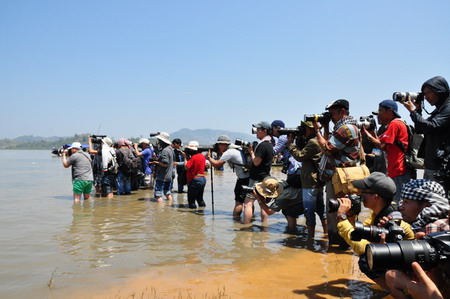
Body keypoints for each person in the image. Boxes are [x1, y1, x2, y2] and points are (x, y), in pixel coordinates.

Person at [336, 172, 414, 288]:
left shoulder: (389, 219)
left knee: (365, 261)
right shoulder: (381, 210)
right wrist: (350, 214)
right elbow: (360, 233)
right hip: (400, 260)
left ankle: (395, 290)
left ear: (376, 196)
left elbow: (362, 248)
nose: (360, 195)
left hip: (407, 265)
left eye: (364, 192)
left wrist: (342, 219)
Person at [315, 99, 361, 246]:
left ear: (342, 111)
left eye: (332, 113)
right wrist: (326, 126)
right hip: (340, 176)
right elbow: (331, 143)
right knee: (336, 211)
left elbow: (327, 148)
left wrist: (317, 130)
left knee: (338, 210)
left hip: (342, 178)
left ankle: (340, 245)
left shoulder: (346, 128)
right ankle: (339, 245)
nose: (330, 116)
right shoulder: (343, 127)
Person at [401, 76, 450, 180]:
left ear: (439, 91)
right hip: (431, 165)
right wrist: (418, 111)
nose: (426, 97)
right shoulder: (439, 110)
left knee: (437, 196)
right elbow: (420, 129)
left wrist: (412, 112)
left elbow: (431, 126)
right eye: (424, 94)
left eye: (428, 93)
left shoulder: (448, 108)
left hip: (441, 167)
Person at [363, 100, 410, 203]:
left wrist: (367, 135)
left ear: (389, 111)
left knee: (397, 203)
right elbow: (380, 142)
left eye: (380, 111)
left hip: (398, 171)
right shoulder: (393, 124)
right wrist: (371, 131)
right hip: (395, 170)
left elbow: (381, 145)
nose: (378, 114)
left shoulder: (394, 124)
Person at [287, 121, 327, 239]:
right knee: (321, 210)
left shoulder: (313, 142)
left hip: (310, 182)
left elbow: (300, 156)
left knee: (309, 212)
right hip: (318, 181)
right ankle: (326, 235)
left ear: (310, 129)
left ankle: (310, 240)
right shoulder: (318, 140)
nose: (303, 130)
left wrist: (290, 143)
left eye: (304, 128)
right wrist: (299, 138)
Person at [207, 135, 250, 218]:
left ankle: (236, 220)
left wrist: (209, 157)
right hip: (249, 178)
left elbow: (216, 165)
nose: (218, 147)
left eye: (218, 145)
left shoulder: (229, 152)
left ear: (222, 144)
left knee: (239, 202)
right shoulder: (237, 149)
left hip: (242, 180)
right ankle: (250, 219)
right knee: (248, 201)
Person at [243, 121, 274, 224]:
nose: (256, 131)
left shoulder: (262, 145)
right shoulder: (270, 144)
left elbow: (256, 162)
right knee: (263, 204)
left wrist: (251, 152)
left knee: (248, 203)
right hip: (265, 177)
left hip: (256, 178)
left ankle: (246, 228)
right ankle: (264, 227)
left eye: (258, 130)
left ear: (265, 131)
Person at [271, 119, 302, 184]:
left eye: (272, 128)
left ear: (278, 128)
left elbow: (274, 152)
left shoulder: (282, 137)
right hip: (297, 167)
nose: (271, 131)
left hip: (293, 168)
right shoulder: (286, 136)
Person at [182, 141, 207, 209]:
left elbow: (186, 167)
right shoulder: (202, 156)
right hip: (202, 178)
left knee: (191, 200)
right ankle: (202, 213)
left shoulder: (193, 157)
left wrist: (185, 157)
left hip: (194, 179)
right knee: (200, 198)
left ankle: (192, 216)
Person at [150, 132, 174, 203]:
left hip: (162, 176)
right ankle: (169, 207)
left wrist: (156, 162)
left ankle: (160, 210)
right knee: (167, 193)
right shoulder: (170, 149)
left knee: (158, 195)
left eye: (159, 140)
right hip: (169, 176)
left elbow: (165, 164)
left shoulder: (164, 151)